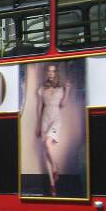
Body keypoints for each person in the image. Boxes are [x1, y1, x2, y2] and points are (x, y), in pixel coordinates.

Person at [35, 63, 69, 196]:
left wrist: (68, 90)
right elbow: (39, 107)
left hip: (56, 118)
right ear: (46, 73)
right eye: (49, 71)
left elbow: (63, 104)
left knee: (48, 144)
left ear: (56, 73)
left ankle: (55, 168)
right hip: (45, 119)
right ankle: (52, 184)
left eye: (53, 71)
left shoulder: (61, 88)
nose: (51, 73)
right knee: (45, 152)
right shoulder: (41, 89)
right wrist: (38, 124)